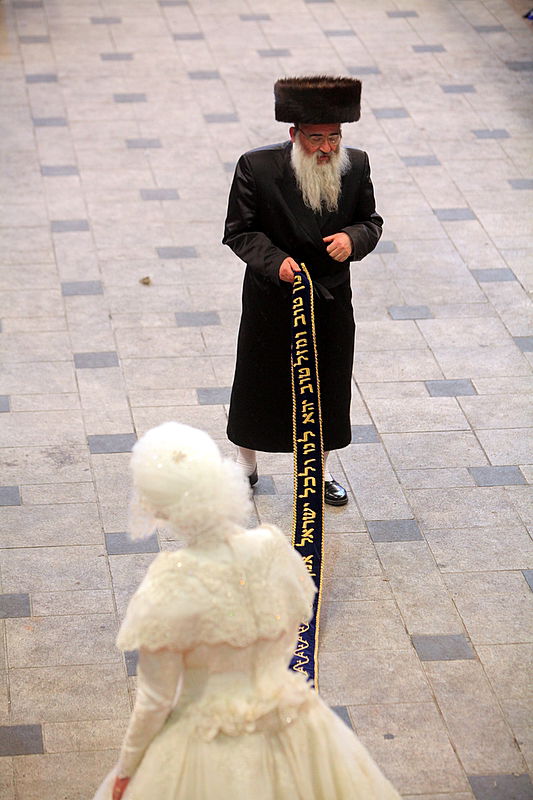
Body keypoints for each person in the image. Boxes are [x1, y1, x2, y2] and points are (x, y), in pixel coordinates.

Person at [92, 421, 400, 800]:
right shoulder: (271, 547)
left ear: (162, 510)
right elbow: (298, 617)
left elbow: (155, 700)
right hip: (291, 719)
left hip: (207, 742)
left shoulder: (167, 584)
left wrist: (127, 770)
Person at [223, 75, 383, 506]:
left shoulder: (357, 164)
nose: (327, 148)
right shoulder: (256, 167)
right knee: (260, 383)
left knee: (327, 386)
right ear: (294, 135)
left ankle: (318, 472)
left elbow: (371, 221)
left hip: (329, 297)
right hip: (272, 297)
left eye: (334, 137)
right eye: (316, 138)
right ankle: (246, 465)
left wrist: (354, 238)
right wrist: (277, 263)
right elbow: (239, 231)